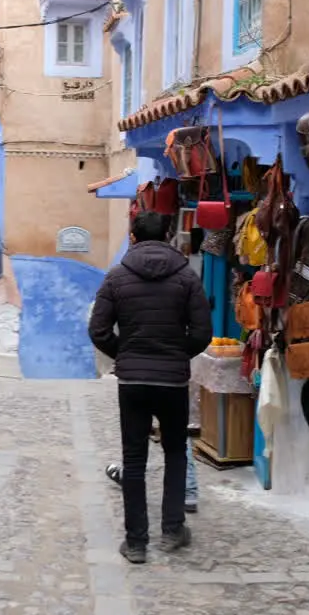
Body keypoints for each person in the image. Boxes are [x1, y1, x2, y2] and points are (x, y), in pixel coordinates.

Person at [88, 211, 212, 564]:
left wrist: (126, 355)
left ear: (134, 236)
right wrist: (175, 355)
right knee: (175, 453)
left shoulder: (116, 278)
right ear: (169, 236)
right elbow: (202, 332)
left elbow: (98, 331)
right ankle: (172, 530)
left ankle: (137, 542)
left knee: (134, 459)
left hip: (133, 383)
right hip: (172, 381)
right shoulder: (187, 278)